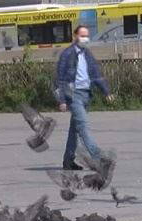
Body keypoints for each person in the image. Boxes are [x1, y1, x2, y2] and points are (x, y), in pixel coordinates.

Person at [55, 25, 114, 171]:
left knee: (74, 130)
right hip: (73, 95)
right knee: (83, 127)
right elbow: (60, 79)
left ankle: (68, 161)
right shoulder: (67, 54)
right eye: (82, 36)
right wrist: (62, 100)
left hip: (85, 94)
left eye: (87, 36)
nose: (85, 39)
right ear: (75, 36)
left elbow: (96, 75)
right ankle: (99, 159)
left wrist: (106, 92)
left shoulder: (87, 54)